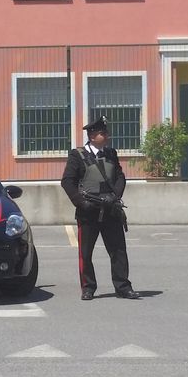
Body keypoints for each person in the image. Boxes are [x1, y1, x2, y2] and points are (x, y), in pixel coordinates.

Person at [61, 115, 139, 301]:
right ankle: (88, 288)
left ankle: (123, 287)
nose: (107, 136)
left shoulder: (111, 153)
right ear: (92, 136)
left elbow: (120, 177)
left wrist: (115, 196)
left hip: (111, 209)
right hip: (88, 212)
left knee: (118, 251)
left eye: (106, 132)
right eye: (103, 133)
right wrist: (81, 203)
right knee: (86, 253)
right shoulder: (77, 155)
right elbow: (67, 182)